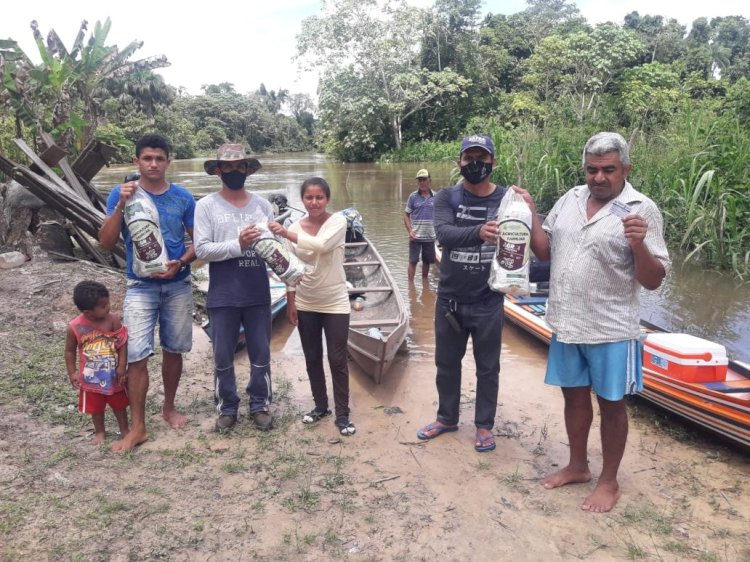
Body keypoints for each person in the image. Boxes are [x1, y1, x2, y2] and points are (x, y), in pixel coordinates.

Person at [527, 131, 670, 513]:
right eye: (592, 169)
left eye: (609, 169)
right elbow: (545, 252)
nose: (599, 178)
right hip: (567, 321)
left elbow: (654, 280)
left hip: (611, 329)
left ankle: (609, 481)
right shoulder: (571, 199)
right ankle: (578, 466)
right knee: (573, 397)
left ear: (626, 169)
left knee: (611, 405)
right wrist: (528, 216)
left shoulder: (642, 209)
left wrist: (639, 244)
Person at [416, 134, 518, 453]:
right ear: (459, 162)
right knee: (446, 363)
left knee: (488, 367)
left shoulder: (506, 200)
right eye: (469, 158)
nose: (475, 164)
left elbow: (523, 240)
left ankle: (484, 426)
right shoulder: (446, 197)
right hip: (450, 299)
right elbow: (443, 233)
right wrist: (479, 232)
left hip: (489, 299)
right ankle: (447, 418)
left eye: (482, 158)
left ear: (493, 162)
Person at [99, 133, 196, 452]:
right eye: (147, 158)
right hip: (140, 287)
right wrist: (121, 205)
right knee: (137, 354)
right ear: (136, 161)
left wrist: (181, 262)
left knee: (174, 349)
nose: (153, 164)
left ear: (169, 161)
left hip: (177, 284)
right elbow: (107, 242)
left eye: (159, 158)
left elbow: (199, 244)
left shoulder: (183, 198)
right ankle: (138, 427)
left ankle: (168, 407)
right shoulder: (121, 193)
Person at [193, 144, 274, 432]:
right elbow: (202, 250)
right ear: (218, 170)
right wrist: (238, 244)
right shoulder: (206, 206)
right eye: (228, 166)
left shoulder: (263, 206)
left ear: (247, 169)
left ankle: (259, 404)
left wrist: (291, 274)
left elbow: (275, 248)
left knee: (261, 352)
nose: (235, 171)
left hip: (258, 291)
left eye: (240, 166)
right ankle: (227, 407)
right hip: (223, 293)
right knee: (223, 354)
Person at [269, 177, 355, 436]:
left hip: (335, 300)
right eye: (309, 197)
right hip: (306, 301)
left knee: (338, 359)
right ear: (303, 200)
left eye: (319, 197)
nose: (314, 202)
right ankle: (320, 406)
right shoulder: (295, 225)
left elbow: (320, 245)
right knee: (312, 356)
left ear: (327, 199)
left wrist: (284, 232)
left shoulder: (337, 222)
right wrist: (291, 301)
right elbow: (290, 268)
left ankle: (342, 415)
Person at [65, 280, 129, 445]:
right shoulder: (75, 327)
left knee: (119, 405)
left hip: (113, 375)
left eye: (107, 303)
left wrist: (122, 366)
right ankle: (100, 432)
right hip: (90, 377)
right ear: (88, 312)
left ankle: (125, 430)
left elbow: (122, 344)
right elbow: (70, 351)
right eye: (103, 306)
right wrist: (72, 372)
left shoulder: (112, 321)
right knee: (96, 408)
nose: (108, 307)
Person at [404, 168, 437, 283]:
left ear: (429, 181)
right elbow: (406, 215)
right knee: (412, 261)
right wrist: (410, 231)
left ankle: (425, 284)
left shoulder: (436, 197)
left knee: (427, 261)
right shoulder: (413, 197)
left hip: (429, 236)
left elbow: (440, 216)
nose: (422, 182)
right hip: (415, 236)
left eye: (424, 179)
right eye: (420, 180)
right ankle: (410, 286)